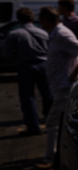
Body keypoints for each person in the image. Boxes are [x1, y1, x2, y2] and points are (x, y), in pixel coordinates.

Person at [35, 7, 78, 169]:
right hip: (59, 86)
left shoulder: (62, 34)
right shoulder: (57, 34)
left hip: (65, 87)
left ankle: (50, 159)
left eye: (40, 19)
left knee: (52, 123)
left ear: (45, 19)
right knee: (58, 122)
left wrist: (76, 71)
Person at [3, 7, 53, 136]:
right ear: (32, 18)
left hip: (25, 66)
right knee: (47, 95)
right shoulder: (43, 33)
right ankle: (52, 122)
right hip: (44, 65)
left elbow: (8, 55)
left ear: (19, 19)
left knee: (27, 98)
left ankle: (33, 126)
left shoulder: (14, 34)